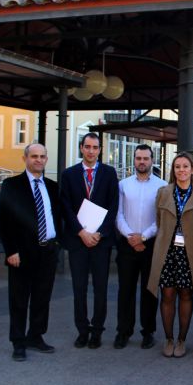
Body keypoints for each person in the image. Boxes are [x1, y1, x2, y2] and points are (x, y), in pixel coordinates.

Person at [0, 143, 60, 361]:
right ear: (25, 158)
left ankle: (35, 336)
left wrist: (57, 242)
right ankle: (18, 342)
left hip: (48, 251)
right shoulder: (12, 185)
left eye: (42, 156)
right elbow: (4, 220)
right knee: (19, 299)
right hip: (22, 254)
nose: (39, 160)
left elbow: (57, 215)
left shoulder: (52, 186)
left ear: (46, 159)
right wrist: (11, 251)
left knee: (42, 297)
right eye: (34, 156)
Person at [147, 152, 193, 358]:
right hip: (167, 251)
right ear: (173, 171)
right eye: (177, 167)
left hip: (188, 253)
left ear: (192, 170)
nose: (181, 170)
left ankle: (182, 339)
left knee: (185, 294)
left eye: (185, 166)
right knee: (166, 294)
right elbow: (159, 221)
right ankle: (169, 339)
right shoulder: (163, 192)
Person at [60, 132, 118, 349]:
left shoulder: (109, 173)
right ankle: (82, 331)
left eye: (95, 147)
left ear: (100, 150)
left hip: (101, 242)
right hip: (78, 241)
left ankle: (97, 331)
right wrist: (81, 232)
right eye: (87, 147)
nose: (91, 151)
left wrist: (99, 233)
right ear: (81, 148)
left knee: (100, 288)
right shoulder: (69, 174)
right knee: (79, 288)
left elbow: (113, 206)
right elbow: (65, 206)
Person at [114, 145, 166, 350]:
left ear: (152, 160)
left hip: (151, 245)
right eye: (138, 158)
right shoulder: (123, 185)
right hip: (127, 244)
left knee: (150, 290)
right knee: (125, 290)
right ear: (134, 160)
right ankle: (123, 331)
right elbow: (118, 214)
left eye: (145, 158)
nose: (142, 162)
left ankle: (148, 332)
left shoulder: (162, 186)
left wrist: (143, 237)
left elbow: (161, 218)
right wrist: (131, 237)